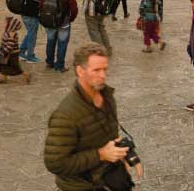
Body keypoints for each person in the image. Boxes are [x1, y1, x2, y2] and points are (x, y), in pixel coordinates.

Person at [43, 43, 140, 191]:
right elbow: (55, 164)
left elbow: (110, 138)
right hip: (83, 186)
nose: (103, 75)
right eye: (96, 70)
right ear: (80, 71)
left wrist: (127, 156)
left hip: (109, 177)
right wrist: (100, 155)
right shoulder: (65, 116)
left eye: (105, 69)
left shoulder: (106, 96)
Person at [40, 0, 78, 72]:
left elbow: (41, 7)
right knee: (62, 43)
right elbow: (74, 9)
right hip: (64, 21)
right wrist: (70, 19)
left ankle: (49, 62)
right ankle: (60, 65)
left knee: (50, 41)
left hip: (50, 21)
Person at [0, 16, 31, 85]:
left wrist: (4, 52)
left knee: (15, 66)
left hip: (11, 54)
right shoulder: (7, 32)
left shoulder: (11, 34)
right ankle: (4, 78)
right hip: (6, 52)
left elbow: (10, 45)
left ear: (10, 25)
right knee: (3, 65)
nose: (3, 24)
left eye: (5, 23)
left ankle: (26, 75)